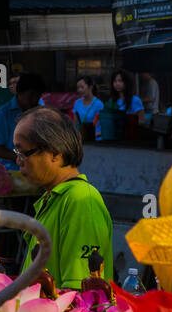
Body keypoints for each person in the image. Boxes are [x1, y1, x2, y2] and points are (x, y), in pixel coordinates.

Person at [14, 108, 114, 289]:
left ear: (54, 153)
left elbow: (81, 291)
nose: (18, 161)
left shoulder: (81, 200)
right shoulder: (51, 198)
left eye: (23, 153)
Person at [0, 73, 44, 161]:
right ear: (20, 92)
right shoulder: (3, 114)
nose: (35, 100)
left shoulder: (41, 113)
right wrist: (21, 157)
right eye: (31, 96)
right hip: (10, 171)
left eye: (38, 96)